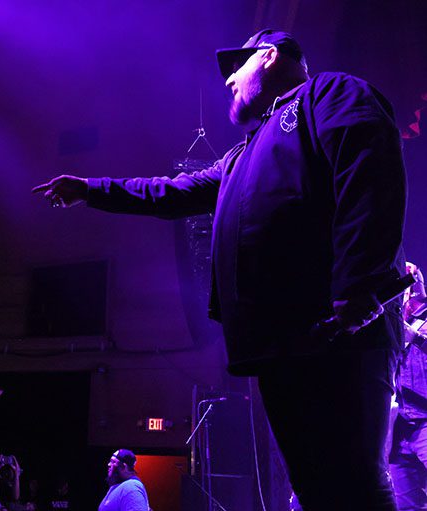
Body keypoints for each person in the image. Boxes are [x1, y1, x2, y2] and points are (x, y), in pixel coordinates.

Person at [33, 29, 407, 510]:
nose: (229, 80)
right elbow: (170, 192)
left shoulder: (328, 93)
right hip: (280, 339)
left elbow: (370, 173)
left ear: (269, 56)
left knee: (356, 479)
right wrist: (91, 189)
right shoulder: (239, 156)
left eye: (237, 66)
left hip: (340, 326)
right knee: (312, 483)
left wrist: (359, 283)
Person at [390, 262, 427, 510]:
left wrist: (415, 337)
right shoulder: (393, 322)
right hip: (400, 428)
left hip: (425, 421)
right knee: (407, 505)